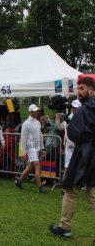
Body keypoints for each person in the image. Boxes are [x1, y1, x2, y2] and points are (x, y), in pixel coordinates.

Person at [49, 77, 95, 238]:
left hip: (86, 154)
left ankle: (65, 227)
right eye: (78, 88)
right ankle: (64, 226)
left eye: (82, 88)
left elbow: (76, 132)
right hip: (88, 153)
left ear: (91, 89)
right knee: (90, 192)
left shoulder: (88, 108)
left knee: (72, 189)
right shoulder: (87, 107)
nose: (79, 91)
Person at [14, 104, 47, 194]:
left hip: (36, 147)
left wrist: (42, 148)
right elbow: (23, 138)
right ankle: (40, 187)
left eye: (37, 110)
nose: (37, 112)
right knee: (37, 165)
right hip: (30, 147)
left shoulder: (37, 122)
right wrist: (24, 151)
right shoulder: (26, 124)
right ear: (30, 111)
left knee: (29, 167)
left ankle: (19, 181)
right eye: (35, 110)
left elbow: (40, 136)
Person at [62, 100, 81, 172]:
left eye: (75, 108)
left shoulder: (82, 117)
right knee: (67, 165)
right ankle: (65, 182)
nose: (73, 109)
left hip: (78, 143)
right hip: (70, 143)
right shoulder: (68, 118)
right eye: (72, 107)